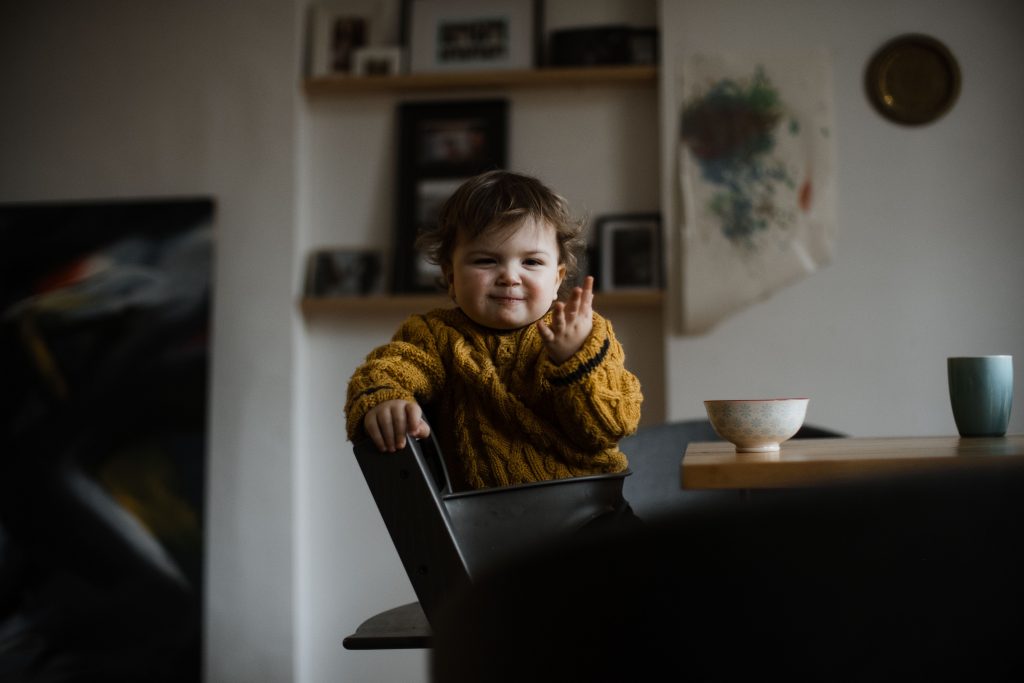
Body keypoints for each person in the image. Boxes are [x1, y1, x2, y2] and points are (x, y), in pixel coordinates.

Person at [345, 170, 643, 492]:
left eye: (531, 262)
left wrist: (575, 361)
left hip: (590, 511)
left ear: (557, 278)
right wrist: (386, 400)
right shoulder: (433, 335)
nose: (510, 276)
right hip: (487, 525)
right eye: (486, 261)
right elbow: (390, 368)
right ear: (451, 277)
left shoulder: (585, 334)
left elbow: (613, 426)